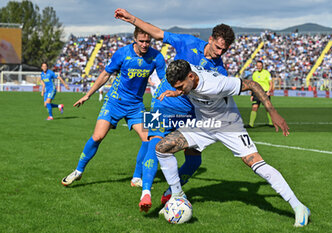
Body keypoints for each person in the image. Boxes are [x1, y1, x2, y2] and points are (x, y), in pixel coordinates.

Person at [156, 59, 310, 227]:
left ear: (191, 76)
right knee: (163, 148)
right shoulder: (186, 71)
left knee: (256, 163)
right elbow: (184, 85)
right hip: (204, 124)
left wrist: (272, 112)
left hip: (229, 125)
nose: (178, 90)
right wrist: (177, 93)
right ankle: (177, 196)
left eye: (180, 87)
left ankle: (299, 207)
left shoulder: (217, 84)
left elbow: (252, 84)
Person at [115, 8, 235, 212]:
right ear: (211, 39)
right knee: (154, 143)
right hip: (160, 103)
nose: (219, 53)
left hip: (189, 114)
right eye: (217, 47)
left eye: (224, 50)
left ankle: (170, 194)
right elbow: (158, 33)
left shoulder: (220, 70)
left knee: (194, 160)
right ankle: (146, 193)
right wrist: (132, 19)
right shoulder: (188, 42)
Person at [61, 27, 166, 186]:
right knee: (98, 137)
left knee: (148, 139)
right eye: (141, 41)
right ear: (135, 39)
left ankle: (136, 177)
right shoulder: (122, 53)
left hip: (136, 105)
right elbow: (105, 74)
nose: (145, 45)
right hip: (114, 101)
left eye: (148, 41)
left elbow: (165, 80)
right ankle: (78, 171)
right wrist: (88, 94)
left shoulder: (156, 57)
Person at [245, 61, 274, 128]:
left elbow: (271, 83)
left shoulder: (266, 73)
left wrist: (269, 91)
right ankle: (250, 124)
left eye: (260, 65)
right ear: (256, 66)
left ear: (262, 66)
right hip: (256, 93)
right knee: (254, 107)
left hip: (265, 93)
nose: (259, 67)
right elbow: (253, 85)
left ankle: (271, 123)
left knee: (268, 108)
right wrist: (252, 94)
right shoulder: (254, 74)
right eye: (258, 65)